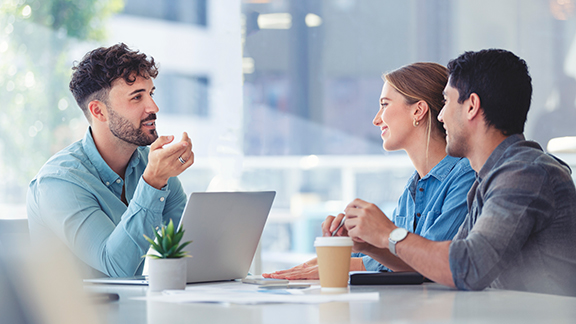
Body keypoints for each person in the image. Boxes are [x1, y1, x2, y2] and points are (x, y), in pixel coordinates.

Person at [341, 49, 576, 296]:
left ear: (471, 106)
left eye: (446, 102)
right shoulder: (488, 179)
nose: (440, 116)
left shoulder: (526, 173)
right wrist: (375, 243)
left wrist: (388, 233)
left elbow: (469, 266)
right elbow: (442, 263)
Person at [264, 62, 476, 279]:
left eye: (384, 105)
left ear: (418, 110)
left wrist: (368, 247)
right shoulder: (413, 189)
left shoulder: (466, 177)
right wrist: (362, 246)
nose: (376, 120)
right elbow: (404, 261)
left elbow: (431, 265)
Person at [27, 43, 194, 278]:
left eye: (151, 93)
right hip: (80, 314)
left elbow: (188, 248)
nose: (153, 107)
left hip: (137, 308)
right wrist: (153, 182)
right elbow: (116, 266)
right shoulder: (58, 182)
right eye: (137, 97)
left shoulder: (152, 166)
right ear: (98, 112)